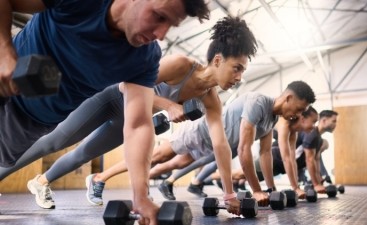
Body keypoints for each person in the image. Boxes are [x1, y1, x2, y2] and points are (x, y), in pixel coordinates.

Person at [1, 16, 257, 215]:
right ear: (217, 60)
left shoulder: (211, 101)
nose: (238, 77)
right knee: (55, 141)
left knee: (83, 154)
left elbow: (220, 145)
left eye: (242, 71)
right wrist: (167, 105)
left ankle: (41, 182)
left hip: (131, 119)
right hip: (112, 98)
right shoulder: (181, 65)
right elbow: (127, 84)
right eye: (237, 69)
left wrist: (229, 195)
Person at [117, 81, 315, 207]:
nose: (298, 115)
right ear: (288, 98)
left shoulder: (272, 119)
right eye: (299, 109)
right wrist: (256, 190)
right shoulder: (259, 102)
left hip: (212, 145)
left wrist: (270, 190)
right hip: (201, 132)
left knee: (175, 164)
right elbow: (244, 149)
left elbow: (265, 154)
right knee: (159, 156)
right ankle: (102, 177)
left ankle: (142, 180)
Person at [167, 105, 319, 200]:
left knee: (212, 163)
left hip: (241, 138)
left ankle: (196, 182)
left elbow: (290, 157)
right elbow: (286, 157)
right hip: (233, 135)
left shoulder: (294, 130)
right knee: (205, 161)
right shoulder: (282, 120)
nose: (296, 112)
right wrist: (294, 187)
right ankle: (184, 181)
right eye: (299, 110)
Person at [301, 110, 338, 194]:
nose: (335, 124)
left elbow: (316, 161)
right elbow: (309, 160)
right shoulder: (312, 134)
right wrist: (316, 184)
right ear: (324, 121)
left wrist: (319, 182)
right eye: (334, 121)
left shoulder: (319, 139)